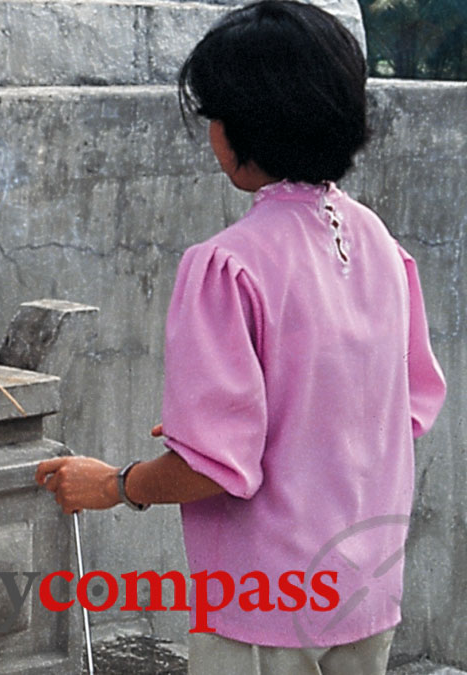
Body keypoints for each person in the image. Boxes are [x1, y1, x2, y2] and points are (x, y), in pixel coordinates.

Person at [33, 1, 447, 673]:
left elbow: (215, 469)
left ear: (240, 127)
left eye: (215, 115)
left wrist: (112, 483)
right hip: (366, 594)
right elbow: (402, 408)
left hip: (267, 609)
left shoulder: (228, 266)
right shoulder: (377, 242)